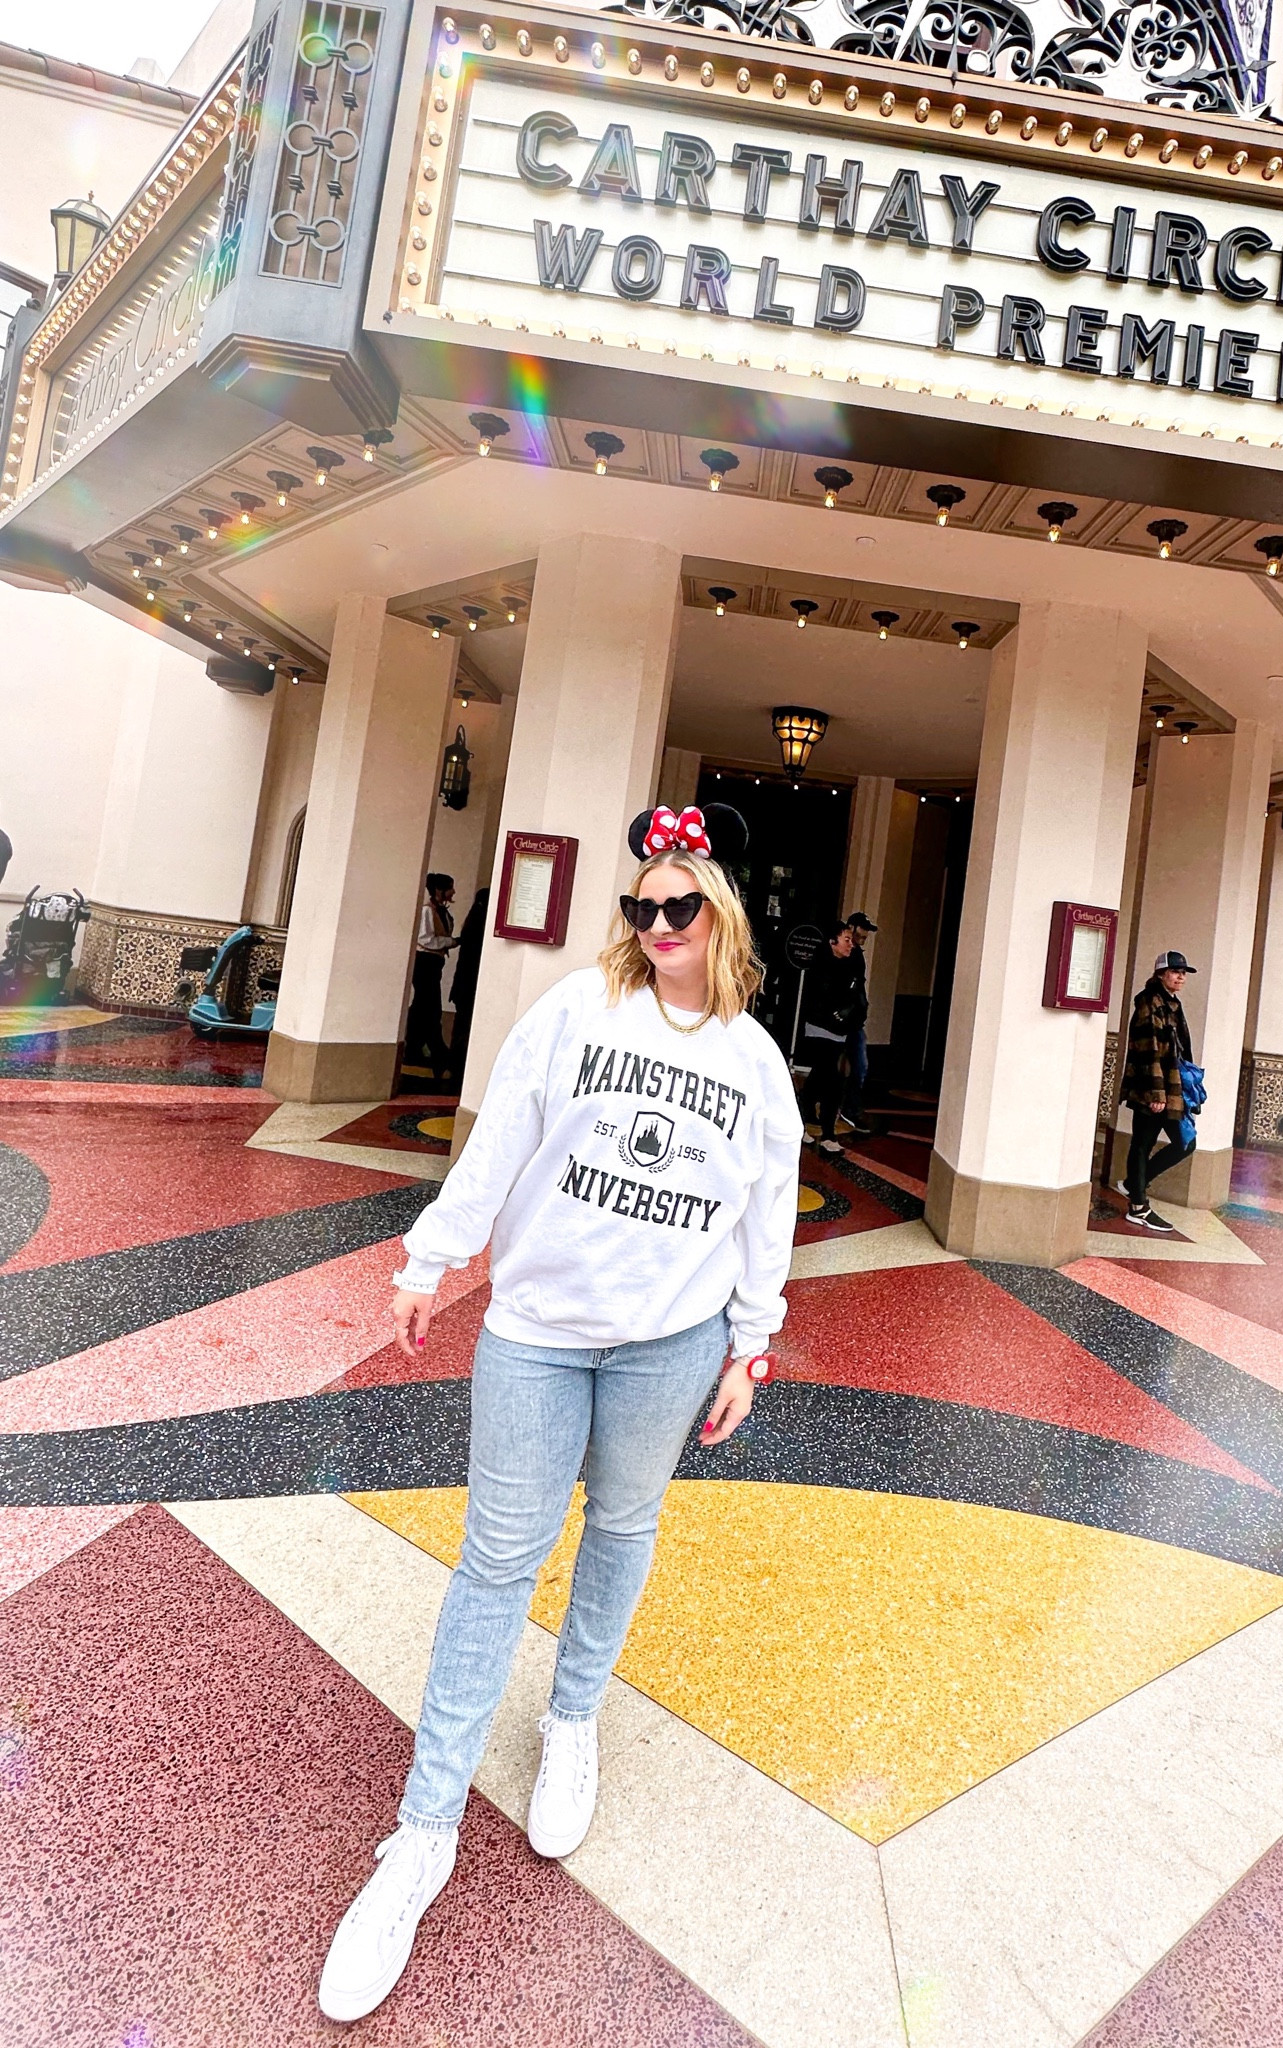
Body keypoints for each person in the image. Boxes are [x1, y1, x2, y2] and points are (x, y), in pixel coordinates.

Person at [317, 801, 802, 2025]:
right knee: (497, 1558)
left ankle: (573, 1716)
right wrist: (432, 1257)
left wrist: (751, 1345)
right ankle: (423, 1828)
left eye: (679, 905)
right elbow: (496, 1145)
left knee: (624, 1526)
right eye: (642, 906)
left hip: (672, 1344)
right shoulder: (576, 1009)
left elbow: (767, 1213)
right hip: (535, 1330)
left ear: (718, 914)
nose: (658, 922)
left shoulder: (755, 1061)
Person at [1119, 949, 1198, 1231]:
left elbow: (1179, 1051)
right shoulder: (1148, 1002)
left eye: (1183, 973)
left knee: (1185, 1143)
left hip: (1170, 1088)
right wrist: (1156, 1094)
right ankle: (1138, 1206)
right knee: (1143, 1144)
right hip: (1152, 1090)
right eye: (1175, 972)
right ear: (1161, 974)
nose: (1180, 977)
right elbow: (1148, 1051)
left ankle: (1134, 1185)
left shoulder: (1172, 1003)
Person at [799, 920, 865, 1155]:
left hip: (839, 1033)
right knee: (831, 1081)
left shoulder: (850, 966)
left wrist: (849, 1016)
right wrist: (837, 1014)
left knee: (820, 1079)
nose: (851, 944)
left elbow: (856, 997)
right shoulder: (820, 967)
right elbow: (821, 1002)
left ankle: (800, 1121)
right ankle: (827, 1135)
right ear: (832, 942)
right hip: (821, 1030)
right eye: (846, 940)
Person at [405, 873, 459, 1088]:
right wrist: (451, 942)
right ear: (438, 890)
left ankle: (416, 1045)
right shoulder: (427, 911)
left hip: (434, 963)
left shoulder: (441, 911)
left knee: (423, 1005)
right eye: (450, 888)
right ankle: (432, 1048)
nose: (453, 892)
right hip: (424, 962)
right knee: (429, 1006)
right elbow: (426, 939)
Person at [839, 911, 877, 1131]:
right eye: (861, 933)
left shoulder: (856, 956)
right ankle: (846, 1109)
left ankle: (848, 1109)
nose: (863, 938)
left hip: (852, 1020)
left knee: (858, 1067)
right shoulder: (847, 955)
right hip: (844, 1020)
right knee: (847, 1067)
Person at [447, 885, 488, 1084]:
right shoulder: (481, 929)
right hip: (471, 986)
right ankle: (459, 1066)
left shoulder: (470, 924)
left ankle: (454, 1065)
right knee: (466, 1026)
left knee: (461, 1025)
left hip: (462, 985)